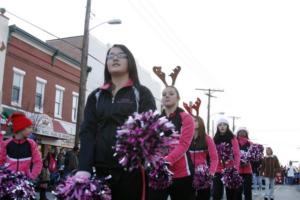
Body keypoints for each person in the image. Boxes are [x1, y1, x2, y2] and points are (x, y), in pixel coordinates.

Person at [75, 44, 156, 200]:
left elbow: (151, 130)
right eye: (110, 56)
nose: (115, 58)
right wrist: (84, 167)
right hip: (101, 170)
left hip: (132, 171)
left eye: (120, 55)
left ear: (129, 61)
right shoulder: (96, 96)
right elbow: (87, 132)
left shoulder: (142, 93)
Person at [148, 85, 195, 200]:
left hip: (182, 174)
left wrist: (166, 161)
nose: (167, 96)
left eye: (171, 93)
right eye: (164, 94)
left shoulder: (186, 118)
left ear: (178, 98)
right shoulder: (156, 119)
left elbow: (184, 144)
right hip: (159, 173)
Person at [0, 112, 42, 180]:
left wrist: (32, 176)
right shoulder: (6, 143)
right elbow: (1, 161)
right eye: (29, 127)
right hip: (8, 182)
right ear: (20, 128)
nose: (31, 130)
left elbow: (38, 161)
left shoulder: (31, 143)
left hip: (24, 182)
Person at [189, 115, 218, 200]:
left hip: (203, 175)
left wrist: (211, 173)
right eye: (191, 120)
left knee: (203, 197)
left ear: (200, 123)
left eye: (195, 120)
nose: (193, 122)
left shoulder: (207, 139)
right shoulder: (186, 137)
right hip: (188, 174)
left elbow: (214, 158)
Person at [212, 117, 240, 200]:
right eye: (220, 125)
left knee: (230, 195)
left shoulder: (232, 138)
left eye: (224, 124)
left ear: (227, 126)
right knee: (216, 194)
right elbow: (212, 155)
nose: (222, 126)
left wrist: (236, 169)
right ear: (217, 127)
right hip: (217, 170)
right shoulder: (214, 139)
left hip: (230, 170)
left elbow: (237, 154)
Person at [236, 127, 253, 200]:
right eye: (240, 131)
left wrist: (248, 160)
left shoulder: (250, 143)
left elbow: (254, 156)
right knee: (237, 191)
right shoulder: (234, 142)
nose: (242, 133)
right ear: (237, 133)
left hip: (248, 170)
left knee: (247, 190)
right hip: (237, 170)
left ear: (246, 133)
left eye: (244, 131)